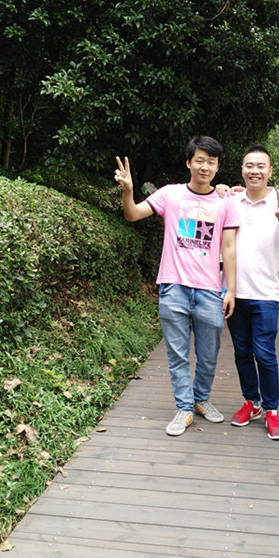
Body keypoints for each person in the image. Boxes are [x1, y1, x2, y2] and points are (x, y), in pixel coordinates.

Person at [115, 136, 239, 437]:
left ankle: (201, 399)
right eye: (200, 160)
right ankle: (184, 407)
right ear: (188, 163)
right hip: (173, 287)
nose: (205, 166)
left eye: (211, 162)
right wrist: (128, 191)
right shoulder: (170, 194)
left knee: (208, 355)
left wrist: (231, 290)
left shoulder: (226, 203)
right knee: (178, 355)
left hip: (210, 290)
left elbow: (229, 249)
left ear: (218, 167)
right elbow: (132, 214)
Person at [221, 145, 279, 440]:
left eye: (260, 166)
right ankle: (251, 402)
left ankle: (272, 410)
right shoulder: (231, 201)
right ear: (242, 169)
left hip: (265, 293)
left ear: (270, 170)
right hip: (233, 291)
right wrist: (220, 189)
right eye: (249, 165)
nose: (254, 171)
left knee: (265, 354)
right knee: (242, 351)